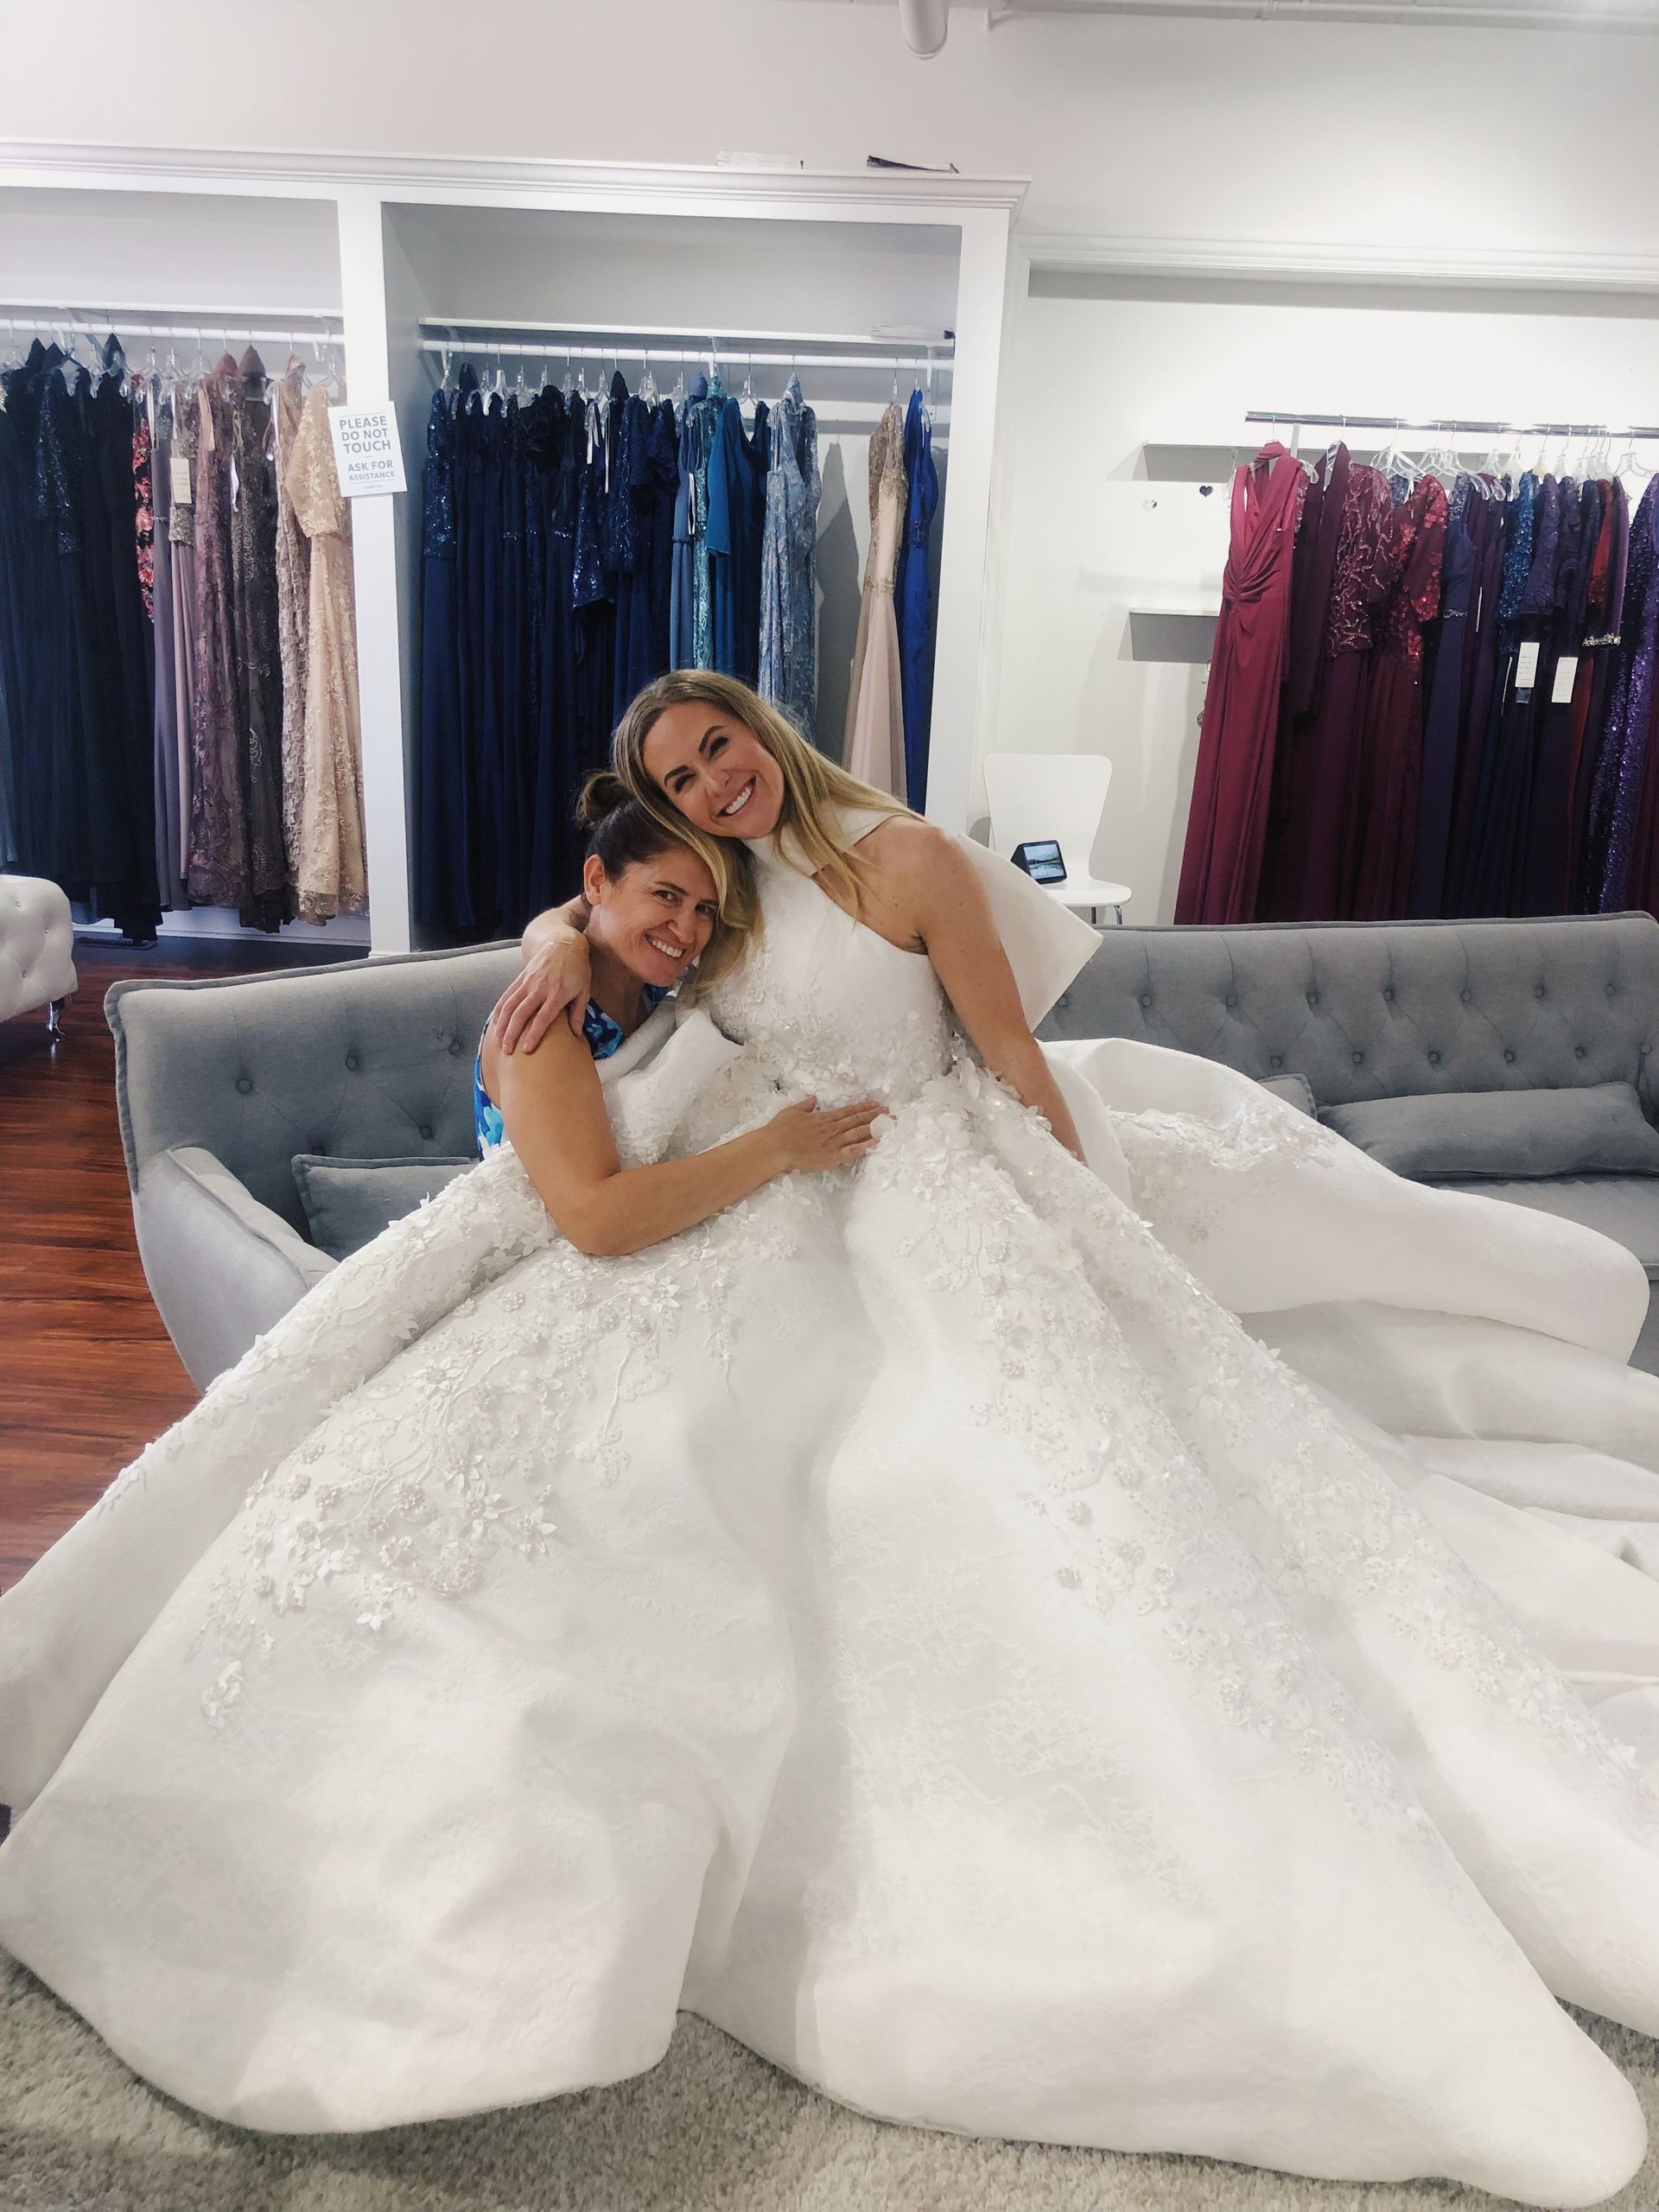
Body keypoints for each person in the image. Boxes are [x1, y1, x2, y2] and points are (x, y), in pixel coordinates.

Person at [4, 676, 1659, 2209]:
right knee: (680, 1444)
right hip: (776, 1176)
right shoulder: (706, 892)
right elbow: (610, 912)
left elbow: (1007, 1056)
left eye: (718, 751)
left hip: (926, 1167)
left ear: (760, 722)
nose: (712, 790)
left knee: (1001, 1475)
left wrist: (1091, 1232)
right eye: (676, 782)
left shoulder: (908, 857)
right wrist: (553, 937)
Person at [475, 770, 884, 1247]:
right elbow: (595, 1221)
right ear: (596, 881)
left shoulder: (641, 975)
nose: (686, 932)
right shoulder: (547, 1024)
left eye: (705, 909)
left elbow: (586, 906)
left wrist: (562, 936)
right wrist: (778, 1147)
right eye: (666, 896)